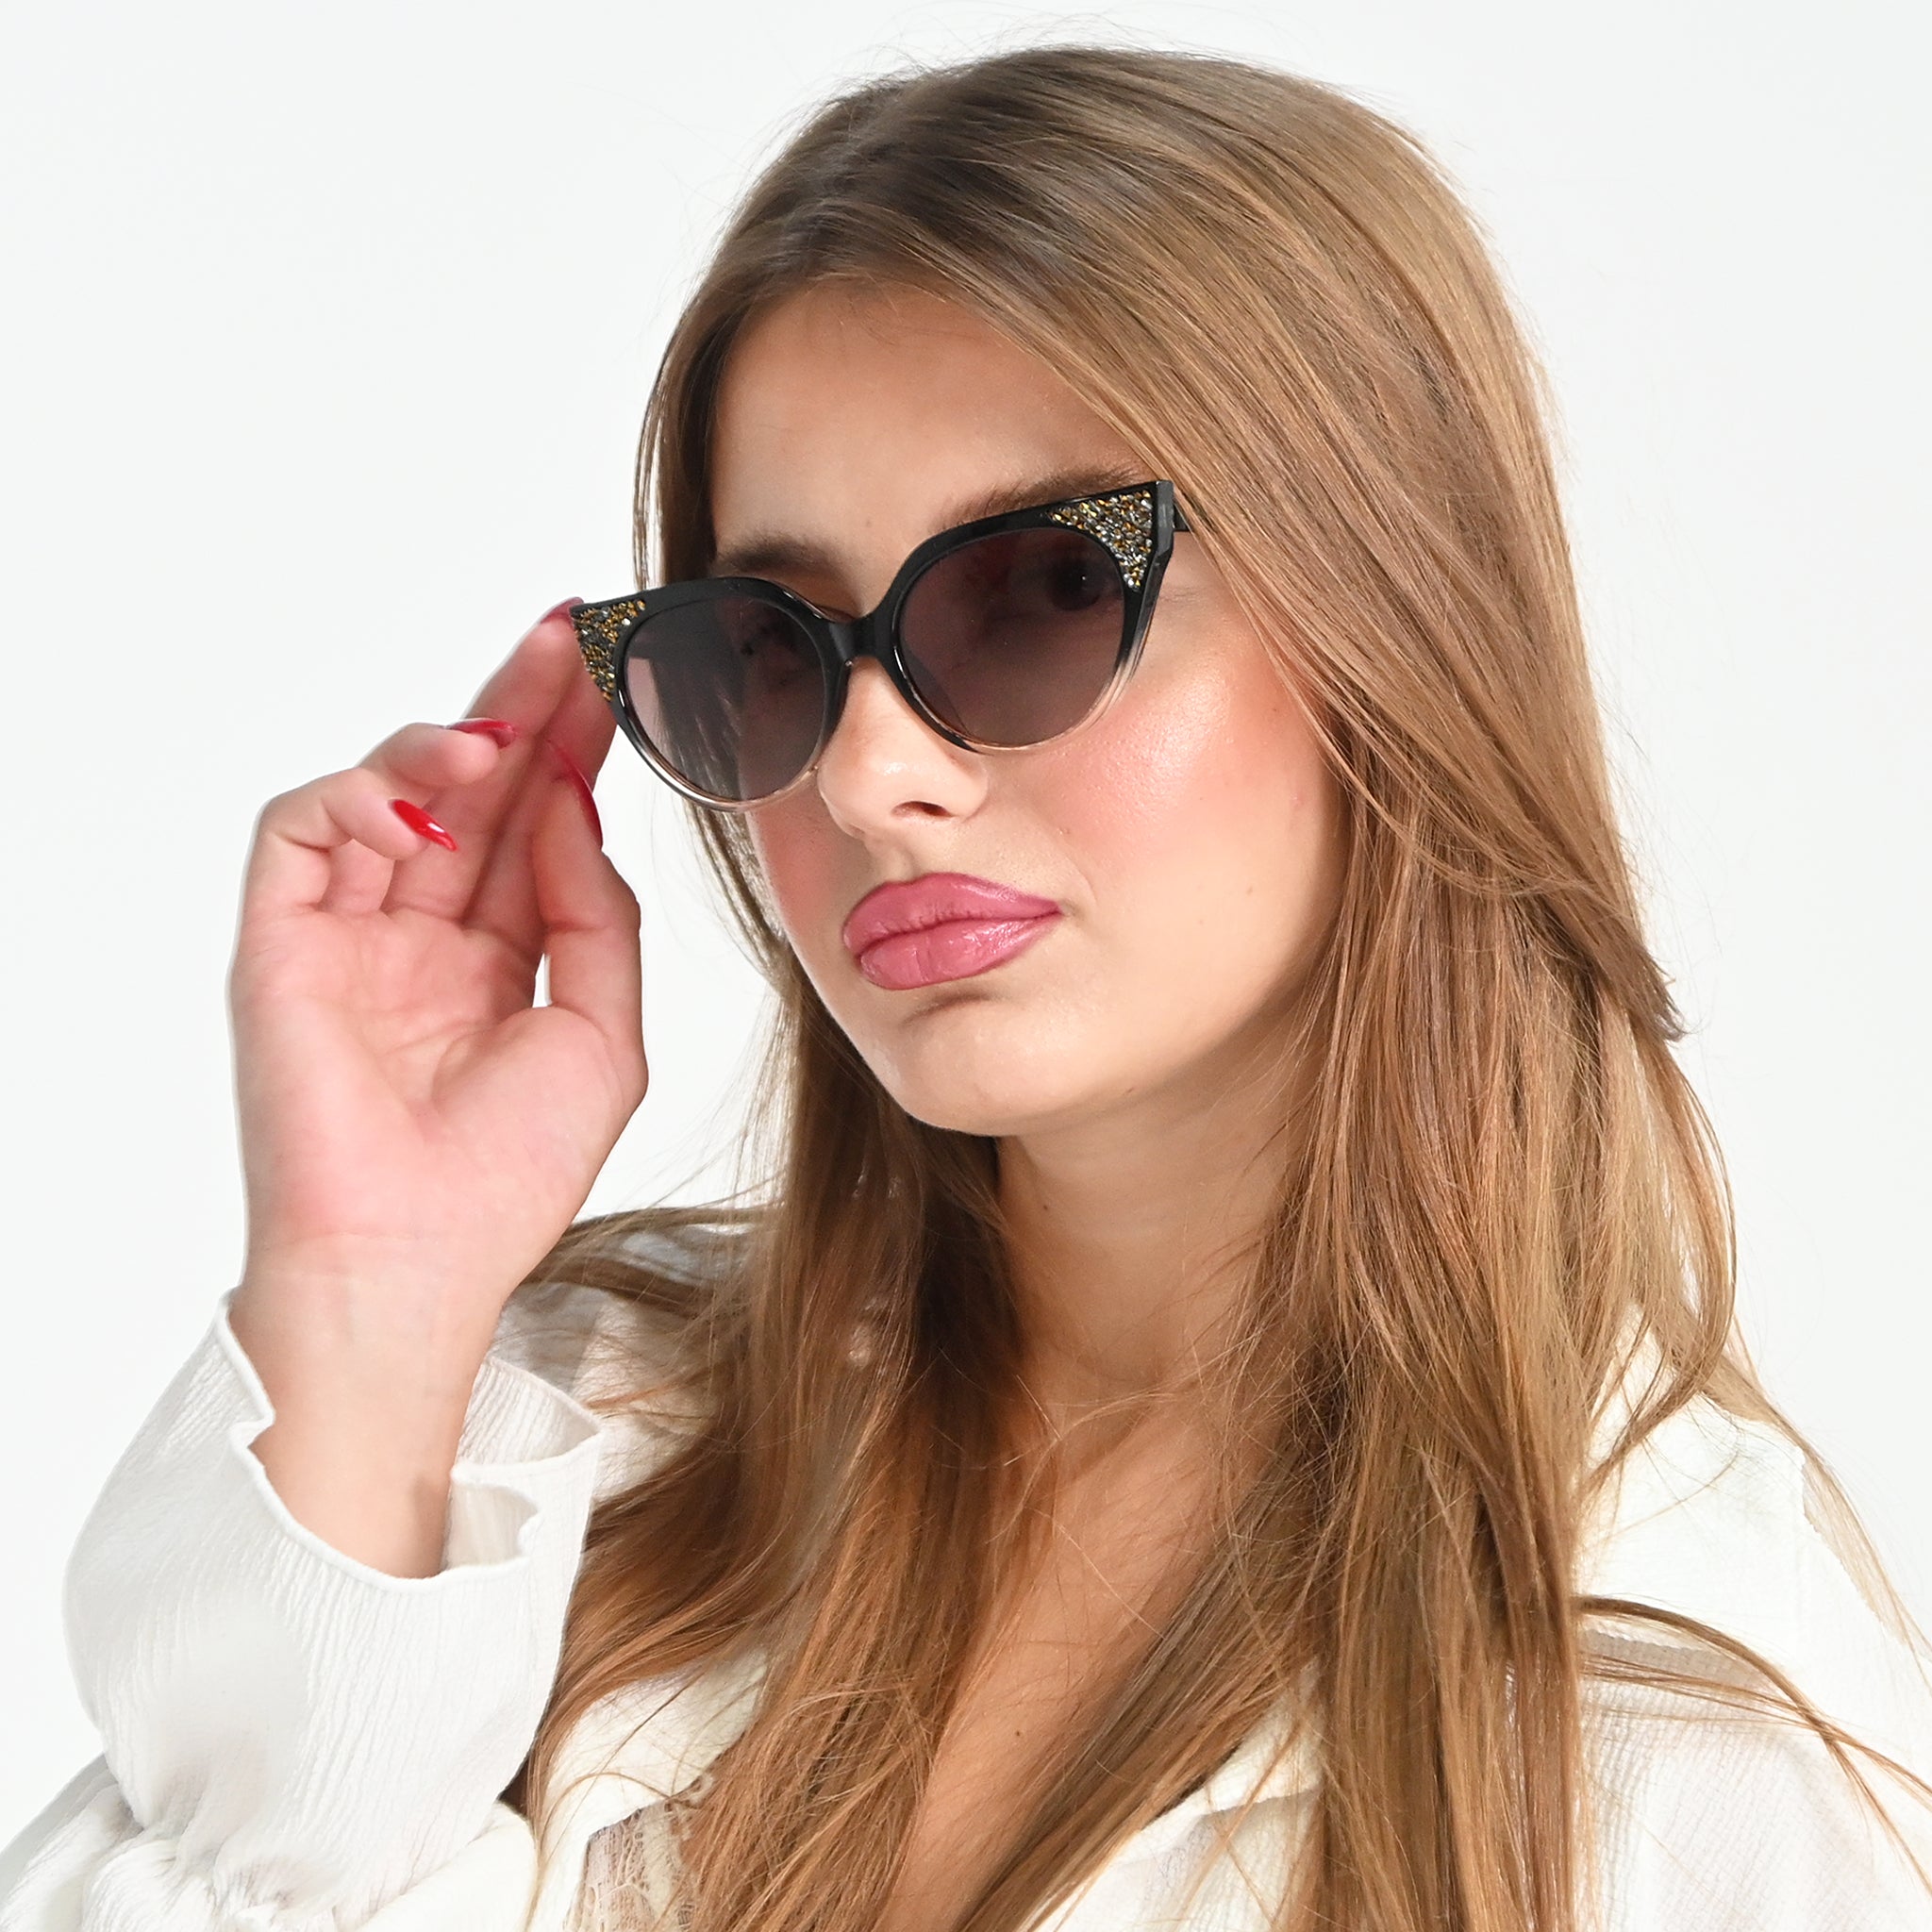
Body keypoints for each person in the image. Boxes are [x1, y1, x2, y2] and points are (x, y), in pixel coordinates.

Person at [4, 42, 1930, 1932]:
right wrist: (363, 1301)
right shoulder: (554, 1456)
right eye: (769, 643)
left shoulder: (1691, 1746)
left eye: (1034, 598)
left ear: (1399, 617)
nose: (864, 773)